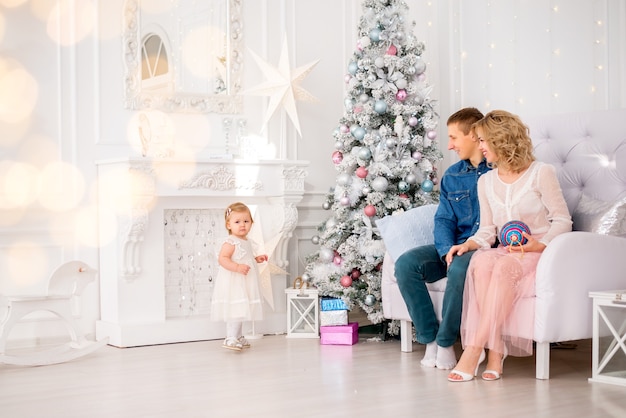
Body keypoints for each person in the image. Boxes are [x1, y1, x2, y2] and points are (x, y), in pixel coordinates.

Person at [446, 110, 572, 382]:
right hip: (506, 250)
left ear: (501, 140)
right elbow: (487, 230)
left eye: (483, 141)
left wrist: (541, 244)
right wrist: (467, 245)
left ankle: (475, 349)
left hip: (536, 253)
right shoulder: (486, 181)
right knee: (482, 263)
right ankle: (496, 350)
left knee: (502, 266)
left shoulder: (541, 173)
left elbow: (562, 220)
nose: (479, 147)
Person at [395, 107, 490, 370]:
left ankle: (447, 342)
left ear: (473, 134)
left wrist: (462, 250)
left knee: (460, 265)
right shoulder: (452, 175)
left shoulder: (498, 171)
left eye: (454, 138)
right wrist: (446, 250)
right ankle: (431, 340)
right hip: (452, 247)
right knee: (406, 264)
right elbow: (444, 219)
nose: (449, 145)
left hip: (483, 246)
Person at [211, 202, 268, 351]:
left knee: (241, 308)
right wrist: (236, 267)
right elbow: (223, 259)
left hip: (245, 280)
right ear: (229, 225)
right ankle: (230, 337)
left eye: (246, 221)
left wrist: (256, 260)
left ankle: (238, 335)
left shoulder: (247, 241)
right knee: (235, 309)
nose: (242, 225)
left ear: (251, 223)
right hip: (235, 281)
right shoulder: (230, 242)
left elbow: (245, 258)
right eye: (237, 222)